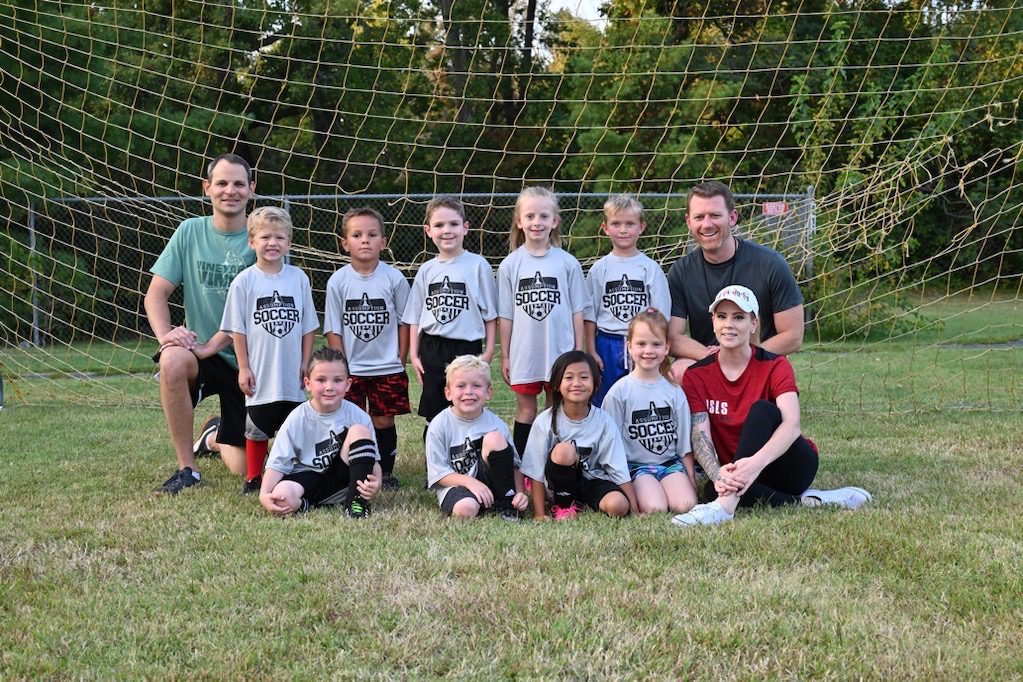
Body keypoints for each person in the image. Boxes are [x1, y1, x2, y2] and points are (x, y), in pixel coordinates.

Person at [672, 285, 872, 527]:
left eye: (738, 317)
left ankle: (725, 508)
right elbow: (700, 435)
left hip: (788, 465)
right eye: (722, 317)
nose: (729, 325)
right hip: (741, 474)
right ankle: (812, 501)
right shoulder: (697, 374)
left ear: (753, 323)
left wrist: (752, 465)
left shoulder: (775, 365)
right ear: (713, 322)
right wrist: (718, 475)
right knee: (713, 491)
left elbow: (792, 425)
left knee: (762, 410)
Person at [145, 153, 257, 495]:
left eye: (239, 183)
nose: (230, 191)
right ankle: (187, 469)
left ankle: (212, 437)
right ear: (207, 188)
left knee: (242, 468)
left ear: (252, 189)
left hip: (247, 362)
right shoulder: (189, 232)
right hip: (201, 354)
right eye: (221, 183)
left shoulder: (263, 235)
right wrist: (167, 336)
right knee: (172, 359)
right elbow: (155, 295)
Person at [219, 206, 318, 495]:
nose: (272, 243)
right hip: (261, 368)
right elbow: (237, 328)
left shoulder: (298, 277)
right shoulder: (244, 281)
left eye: (279, 237)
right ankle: (253, 477)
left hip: (291, 368)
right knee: (257, 426)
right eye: (265, 237)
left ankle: (296, 471)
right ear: (252, 242)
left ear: (288, 243)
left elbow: (308, 325)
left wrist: (306, 362)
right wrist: (244, 366)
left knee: (295, 423)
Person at [667, 180, 804, 380]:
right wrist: (712, 356)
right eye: (699, 217)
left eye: (715, 215)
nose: (707, 224)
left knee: (774, 377)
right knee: (677, 371)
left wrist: (746, 358)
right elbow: (673, 338)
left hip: (758, 361)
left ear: (732, 218)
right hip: (709, 362)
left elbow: (793, 336)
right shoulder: (681, 271)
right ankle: (698, 412)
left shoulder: (770, 264)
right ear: (689, 222)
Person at [497, 187, 589, 458]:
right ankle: (524, 465)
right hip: (525, 351)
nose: (536, 222)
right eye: (530, 216)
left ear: (554, 222)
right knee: (526, 409)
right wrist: (506, 354)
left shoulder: (567, 263)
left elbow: (576, 311)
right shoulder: (510, 265)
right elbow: (506, 314)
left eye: (543, 216)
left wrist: (577, 350)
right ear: (519, 221)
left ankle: (553, 462)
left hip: (559, 350)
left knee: (555, 408)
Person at [324, 207, 411, 489]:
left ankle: (385, 473)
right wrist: (341, 365)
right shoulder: (338, 281)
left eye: (372, 235)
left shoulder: (394, 278)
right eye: (357, 234)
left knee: (383, 421)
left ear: (383, 241)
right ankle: (348, 471)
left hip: (387, 366)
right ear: (344, 242)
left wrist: (401, 356)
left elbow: (405, 322)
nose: (365, 240)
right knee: (351, 423)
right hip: (353, 368)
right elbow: (333, 328)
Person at [402, 196, 498, 439]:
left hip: (467, 347)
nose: (447, 231)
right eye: (439, 225)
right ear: (428, 230)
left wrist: (487, 352)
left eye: (454, 224)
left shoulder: (478, 265)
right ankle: (435, 470)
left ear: (465, 227)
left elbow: (491, 315)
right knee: (435, 410)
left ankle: (467, 461)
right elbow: (415, 316)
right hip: (433, 346)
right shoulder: (426, 269)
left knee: (467, 405)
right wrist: (414, 353)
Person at [259, 347, 382, 518]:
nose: (329, 387)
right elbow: (278, 463)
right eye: (321, 380)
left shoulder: (358, 415)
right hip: (305, 479)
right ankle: (304, 504)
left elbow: (373, 460)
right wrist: (264, 494)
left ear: (348, 385)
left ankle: (356, 501)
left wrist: (377, 482)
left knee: (359, 431)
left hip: (343, 480)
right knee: (280, 497)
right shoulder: (298, 417)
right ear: (308, 383)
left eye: (337, 380)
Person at [519, 350, 637, 520]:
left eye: (584, 377)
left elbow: (618, 469)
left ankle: (581, 504)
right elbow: (535, 470)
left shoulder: (604, 421)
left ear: (596, 384)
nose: (577, 383)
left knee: (618, 506)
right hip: (557, 485)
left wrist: (634, 508)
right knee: (564, 451)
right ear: (557, 384)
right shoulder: (544, 421)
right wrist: (539, 513)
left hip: (592, 480)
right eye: (569, 377)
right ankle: (563, 506)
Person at [602, 310, 697, 515]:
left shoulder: (673, 391)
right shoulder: (619, 392)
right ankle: (648, 493)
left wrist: (691, 480)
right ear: (629, 346)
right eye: (641, 344)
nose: (648, 351)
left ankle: (675, 488)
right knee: (656, 508)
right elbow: (611, 445)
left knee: (686, 506)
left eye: (656, 344)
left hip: (670, 464)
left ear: (667, 348)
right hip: (637, 468)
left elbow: (684, 445)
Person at [584, 194, 670, 406]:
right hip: (607, 342)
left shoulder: (650, 268)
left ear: (641, 227)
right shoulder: (599, 269)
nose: (623, 230)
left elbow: (661, 315)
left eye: (630, 224)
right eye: (616, 224)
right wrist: (592, 350)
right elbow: (589, 315)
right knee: (605, 399)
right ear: (605, 227)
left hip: (642, 343)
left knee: (640, 396)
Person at [425, 355, 529, 520]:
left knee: (495, 439)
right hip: (456, 485)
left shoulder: (496, 424)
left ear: (488, 392)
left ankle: (506, 503)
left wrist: (519, 494)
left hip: (490, 483)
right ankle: (480, 504)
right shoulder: (439, 425)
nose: (468, 392)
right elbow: (439, 474)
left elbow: (514, 467)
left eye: (476, 385)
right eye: (461, 386)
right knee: (466, 510)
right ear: (448, 393)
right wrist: (471, 483)